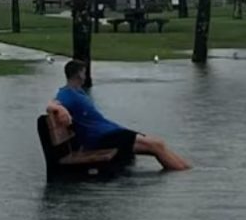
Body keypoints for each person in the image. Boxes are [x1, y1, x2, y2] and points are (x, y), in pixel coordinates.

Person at [53, 60, 191, 172]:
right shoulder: (67, 94)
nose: (86, 75)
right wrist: (60, 109)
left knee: (158, 143)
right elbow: (51, 104)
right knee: (156, 145)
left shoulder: (78, 92)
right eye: (84, 72)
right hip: (101, 139)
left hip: (110, 133)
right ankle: (182, 175)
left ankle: (186, 169)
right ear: (78, 75)